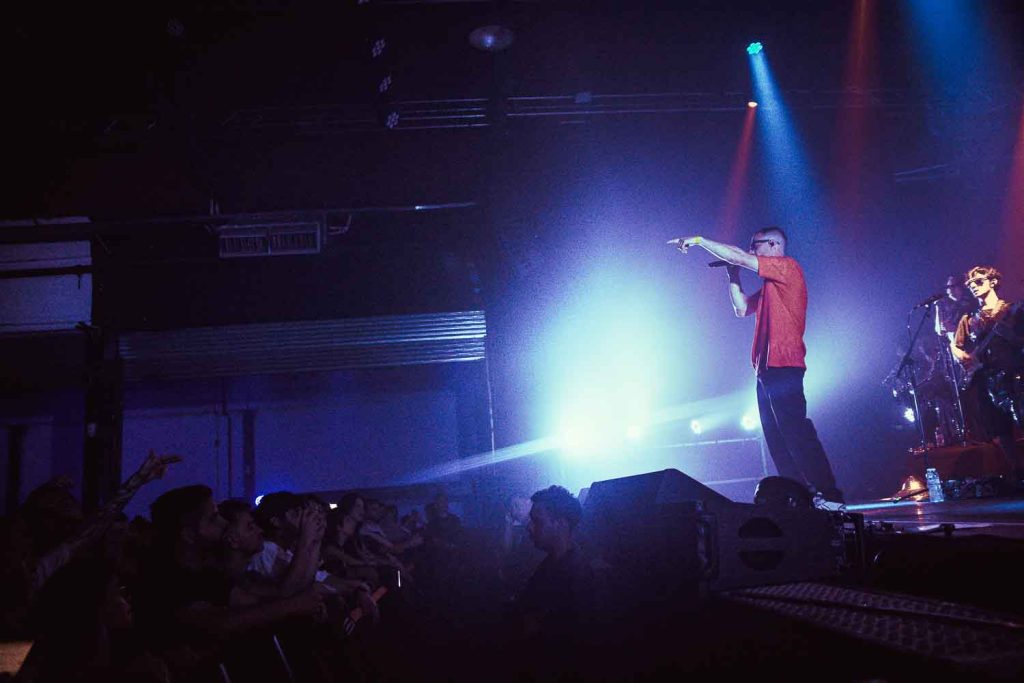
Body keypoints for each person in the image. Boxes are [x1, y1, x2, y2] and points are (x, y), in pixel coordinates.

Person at [670, 227, 844, 507]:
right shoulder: (769, 289)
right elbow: (741, 309)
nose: (751, 250)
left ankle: (830, 495)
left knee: (796, 430)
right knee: (777, 438)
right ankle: (804, 498)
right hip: (765, 370)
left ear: (774, 245)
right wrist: (733, 275)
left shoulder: (788, 268)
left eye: (756, 245)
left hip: (784, 363)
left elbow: (739, 256)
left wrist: (700, 241)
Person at [950, 266, 1024, 474]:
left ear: (992, 282)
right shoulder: (968, 318)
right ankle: (1018, 471)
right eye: (970, 284)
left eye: (979, 281)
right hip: (986, 380)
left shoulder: (1013, 310)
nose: (973, 286)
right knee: (1000, 429)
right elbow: (955, 345)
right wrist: (963, 357)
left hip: (1013, 376)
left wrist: (1010, 337)